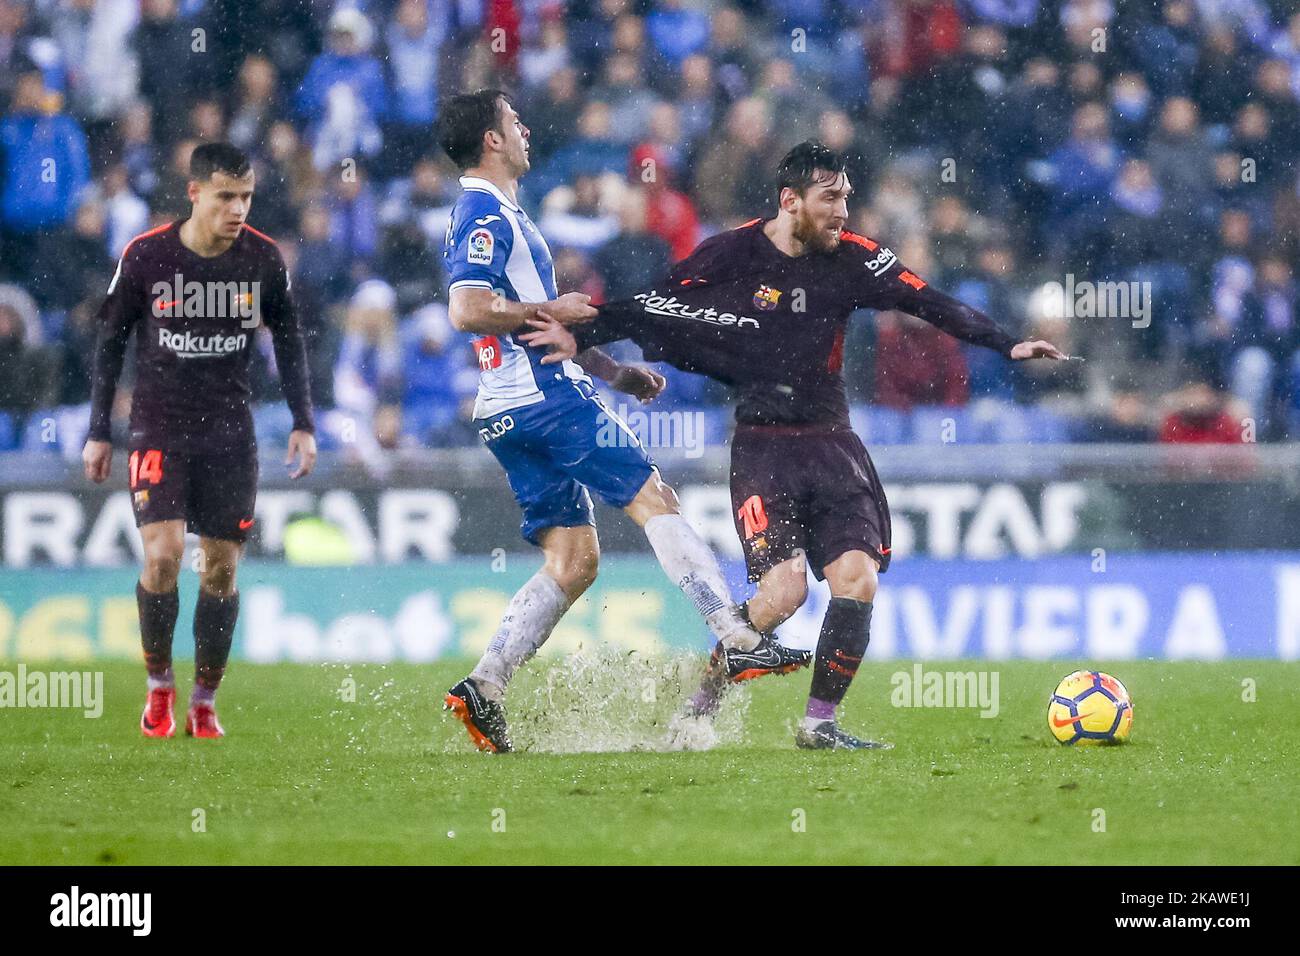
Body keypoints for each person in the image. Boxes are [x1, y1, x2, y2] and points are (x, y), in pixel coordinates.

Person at [526, 142, 1068, 749]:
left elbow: (928, 300)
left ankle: (818, 723)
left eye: (846, 198)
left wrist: (1006, 342)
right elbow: (655, 307)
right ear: (790, 201)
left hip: (833, 444)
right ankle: (698, 709)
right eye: (829, 198)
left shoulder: (856, 259)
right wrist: (587, 332)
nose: (842, 212)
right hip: (763, 448)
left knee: (857, 580)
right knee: (784, 592)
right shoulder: (731, 252)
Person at [437, 90, 808, 754]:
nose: (524, 127)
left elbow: (545, 325)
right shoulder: (483, 211)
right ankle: (736, 635)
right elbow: (467, 310)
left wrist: (616, 372)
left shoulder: (501, 212)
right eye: (512, 120)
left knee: (574, 561)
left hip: (508, 409)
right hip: (547, 399)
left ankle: (485, 685)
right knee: (652, 495)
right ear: (491, 141)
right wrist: (552, 306)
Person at [82, 143, 317, 739]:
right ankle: (159, 686)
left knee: (219, 571)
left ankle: (204, 698)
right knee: (161, 556)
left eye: (246, 197)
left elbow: (289, 338)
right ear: (194, 193)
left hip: (229, 435)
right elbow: (110, 340)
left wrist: (303, 421)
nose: (237, 209)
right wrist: (97, 432)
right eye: (225, 197)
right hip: (158, 426)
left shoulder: (263, 260)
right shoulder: (146, 256)